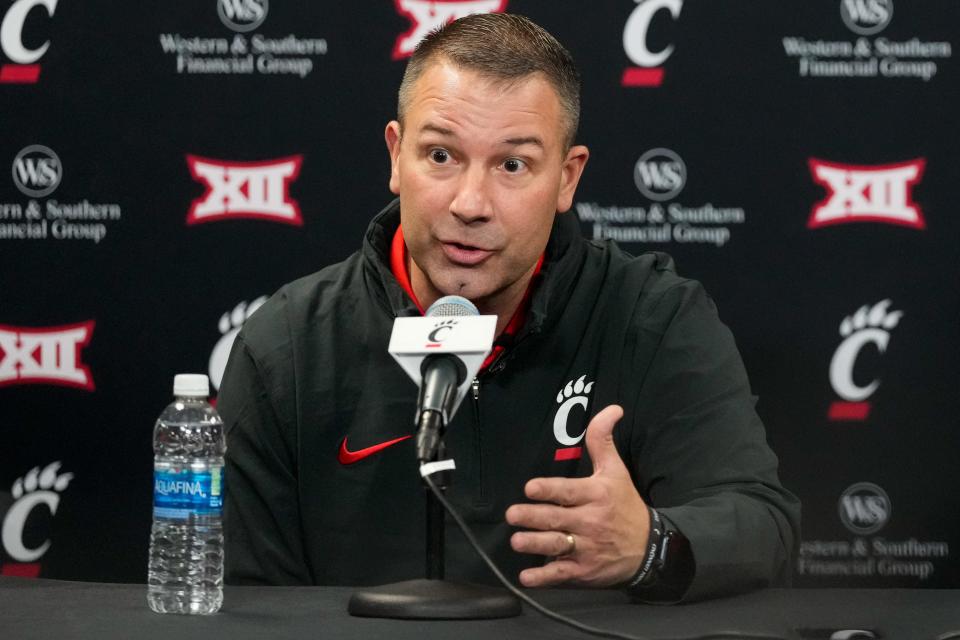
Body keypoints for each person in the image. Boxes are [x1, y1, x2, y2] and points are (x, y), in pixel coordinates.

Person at [218, 13, 800, 603]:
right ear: (396, 157)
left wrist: (649, 544)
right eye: (441, 156)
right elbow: (250, 604)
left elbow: (762, 529)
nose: (471, 204)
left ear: (567, 178)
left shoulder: (650, 318)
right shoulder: (287, 347)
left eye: (512, 165)